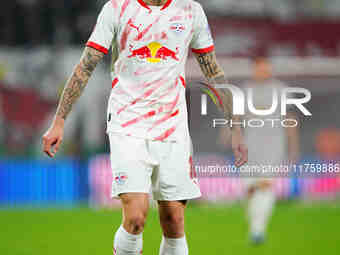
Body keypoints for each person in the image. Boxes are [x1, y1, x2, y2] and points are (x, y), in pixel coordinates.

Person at [42, 0, 248, 254]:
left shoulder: (190, 11)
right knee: (136, 216)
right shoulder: (117, 9)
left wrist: (235, 126)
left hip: (172, 126)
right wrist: (59, 121)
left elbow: (213, 70)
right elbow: (87, 64)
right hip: (127, 122)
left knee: (174, 220)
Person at [242, 57, 300, 244]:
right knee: (250, 188)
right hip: (249, 147)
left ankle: (258, 230)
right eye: (259, 69)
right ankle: (254, 223)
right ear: (254, 70)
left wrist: (293, 147)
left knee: (266, 185)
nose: (262, 72)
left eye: (265, 69)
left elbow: (290, 119)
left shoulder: (281, 90)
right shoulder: (245, 90)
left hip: (273, 146)